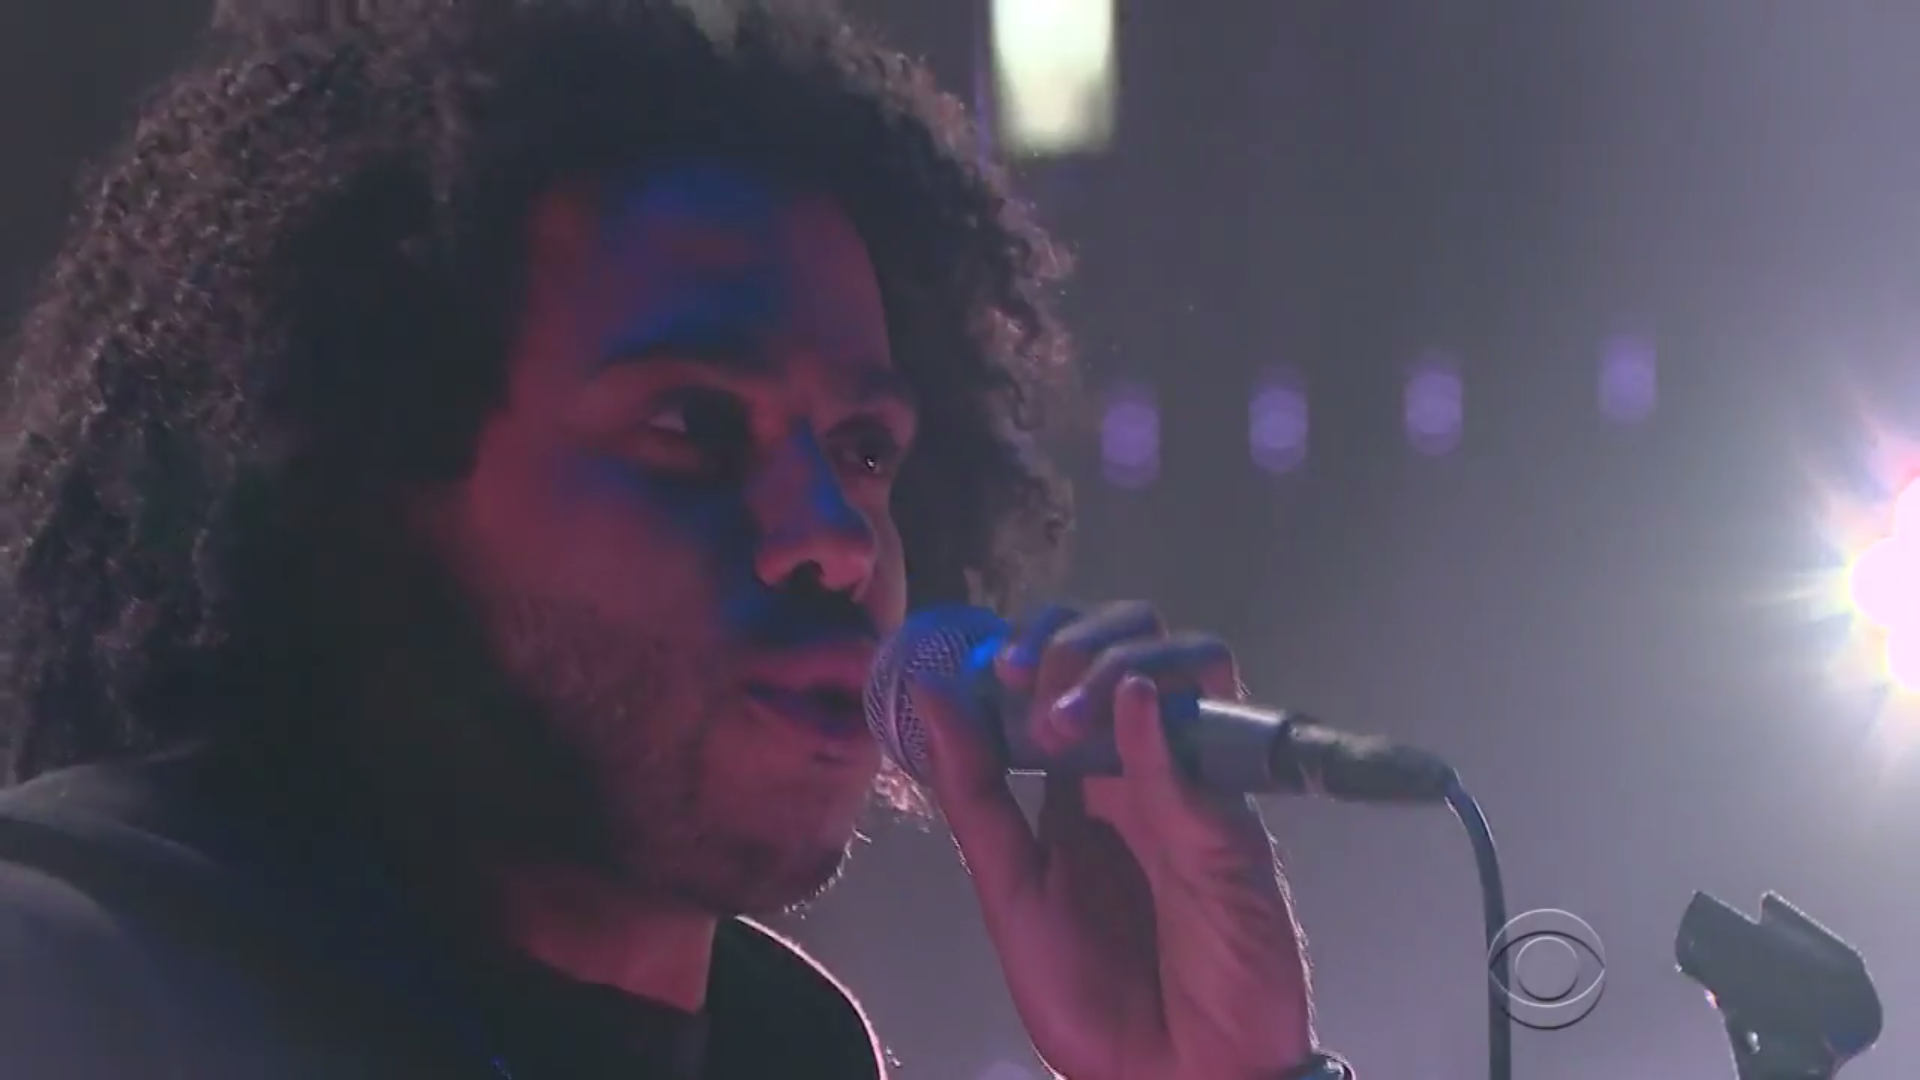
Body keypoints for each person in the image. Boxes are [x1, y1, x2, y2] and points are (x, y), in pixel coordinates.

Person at [0, 2, 1348, 1077]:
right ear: (372, 464)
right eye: (693, 427)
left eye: (863, 451)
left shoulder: (798, 1053)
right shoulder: (74, 974)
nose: (832, 541)